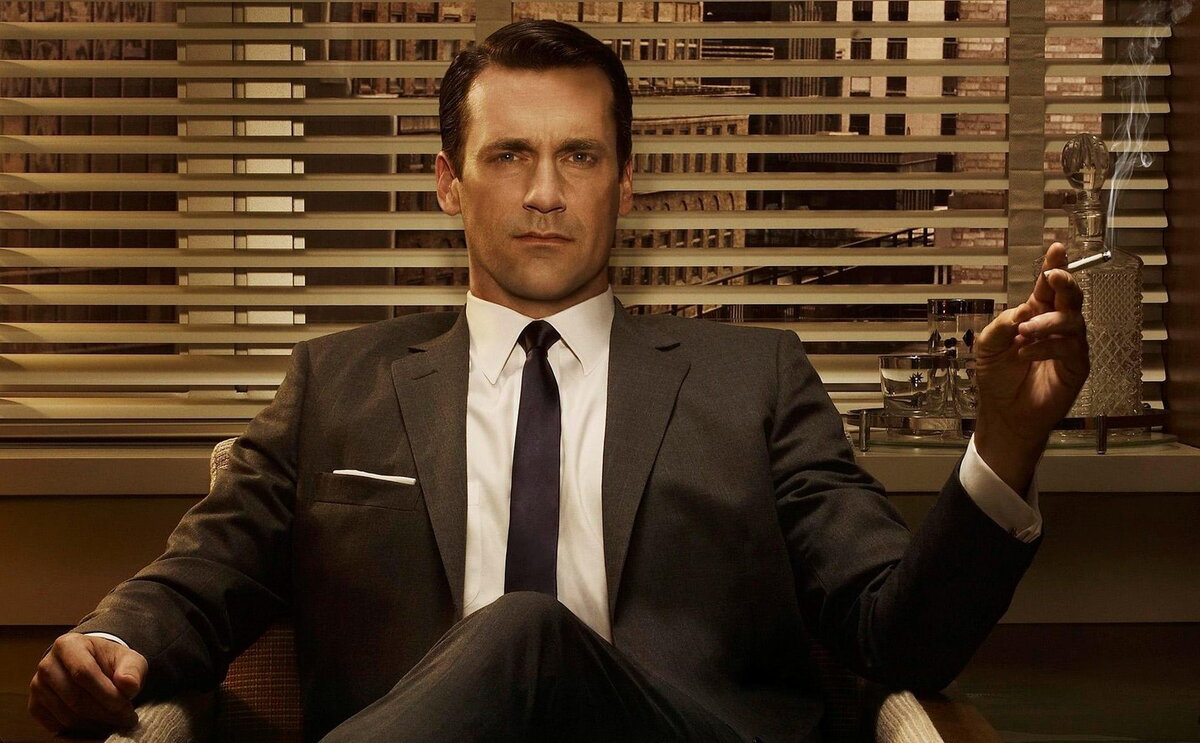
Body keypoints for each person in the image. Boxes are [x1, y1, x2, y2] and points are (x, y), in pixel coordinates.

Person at [28, 20, 1088, 743]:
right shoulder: (337, 382)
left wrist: (1005, 443)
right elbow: (203, 574)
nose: (545, 192)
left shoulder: (756, 380)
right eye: (509, 156)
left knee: (525, 627)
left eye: (579, 156)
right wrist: (110, 644)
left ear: (624, 182)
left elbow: (899, 636)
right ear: (449, 182)